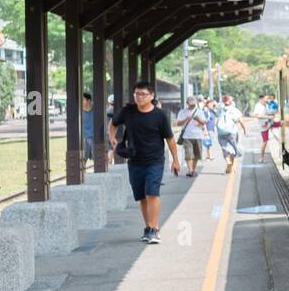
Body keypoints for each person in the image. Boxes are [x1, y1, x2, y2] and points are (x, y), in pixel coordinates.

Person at [108, 80, 180, 244]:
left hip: (155, 160)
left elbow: (170, 139)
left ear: (151, 96)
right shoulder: (128, 111)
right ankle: (148, 228)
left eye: (143, 94)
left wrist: (176, 160)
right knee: (141, 197)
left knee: (152, 193)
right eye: (137, 94)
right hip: (134, 161)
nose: (139, 97)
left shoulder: (160, 115)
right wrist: (112, 138)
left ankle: (155, 229)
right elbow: (113, 124)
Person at [174, 96, 208, 177]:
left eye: (194, 104)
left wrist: (198, 119)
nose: (192, 105)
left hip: (198, 136)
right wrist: (186, 119)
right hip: (187, 136)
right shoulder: (182, 112)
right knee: (189, 154)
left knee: (196, 155)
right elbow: (178, 123)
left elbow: (203, 122)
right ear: (187, 103)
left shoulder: (200, 112)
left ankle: (193, 169)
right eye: (191, 104)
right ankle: (190, 170)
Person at [216, 94, 246, 173]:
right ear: (231, 101)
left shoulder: (220, 109)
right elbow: (241, 120)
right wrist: (244, 129)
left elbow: (217, 119)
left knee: (224, 148)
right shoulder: (235, 110)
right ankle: (231, 166)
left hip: (221, 132)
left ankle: (228, 162)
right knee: (233, 149)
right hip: (232, 132)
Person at [80, 92, 94, 163]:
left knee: (97, 160)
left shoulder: (95, 111)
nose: (81, 101)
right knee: (82, 160)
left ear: (88, 101)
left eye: (83, 99)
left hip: (94, 139)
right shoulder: (79, 113)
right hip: (84, 139)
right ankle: (83, 173)